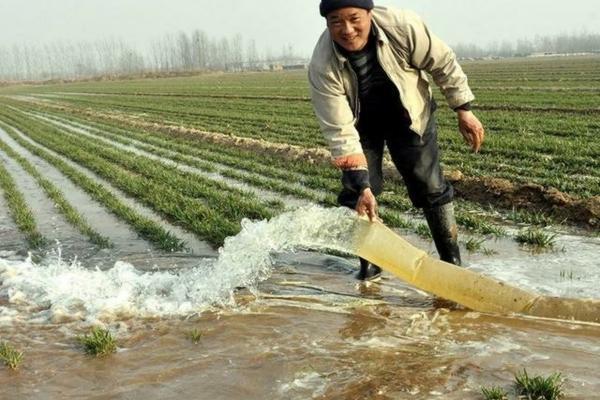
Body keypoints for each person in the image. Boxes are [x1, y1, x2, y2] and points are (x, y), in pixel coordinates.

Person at [309, 0, 485, 280]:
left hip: (408, 114)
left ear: (369, 13)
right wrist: (362, 184)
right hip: (360, 125)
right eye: (336, 21)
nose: (347, 29)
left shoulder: (402, 26)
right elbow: (339, 129)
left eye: (354, 18)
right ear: (327, 23)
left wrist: (463, 109)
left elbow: (443, 62)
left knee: (429, 185)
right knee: (358, 192)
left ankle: (452, 261)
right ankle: (370, 263)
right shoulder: (322, 64)